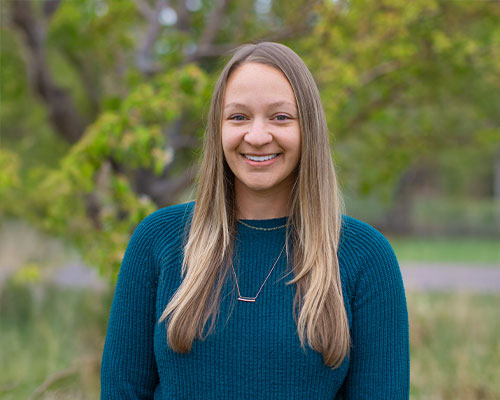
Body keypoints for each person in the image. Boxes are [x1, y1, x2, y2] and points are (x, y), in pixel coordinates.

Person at [100, 42, 409, 399]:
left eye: (280, 117)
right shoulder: (158, 241)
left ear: (308, 128)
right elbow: (123, 390)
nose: (258, 136)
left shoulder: (364, 256)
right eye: (238, 116)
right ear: (218, 129)